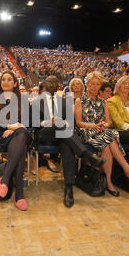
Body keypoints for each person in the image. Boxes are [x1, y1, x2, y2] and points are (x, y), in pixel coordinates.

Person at [35, 76, 105, 207]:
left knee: (67, 146)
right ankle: (87, 155)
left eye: (54, 83)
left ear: (59, 86)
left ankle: (69, 188)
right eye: (48, 82)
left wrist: (61, 122)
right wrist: (49, 122)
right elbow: (33, 123)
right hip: (45, 134)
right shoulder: (37, 101)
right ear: (44, 84)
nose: (51, 85)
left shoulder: (65, 102)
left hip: (63, 135)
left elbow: (71, 122)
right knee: (62, 128)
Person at [75, 72, 129, 196]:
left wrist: (104, 125)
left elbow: (108, 121)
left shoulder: (104, 102)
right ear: (87, 84)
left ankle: (108, 180)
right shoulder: (79, 100)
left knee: (107, 144)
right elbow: (79, 122)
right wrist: (94, 126)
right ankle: (126, 170)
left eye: (98, 84)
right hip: (86, 131)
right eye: (92, 84)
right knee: (109, 137)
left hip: (101, 131)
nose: (95, 87)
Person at [0, 71, 30, 211]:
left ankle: (5, 179)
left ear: (15, 83)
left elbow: (27, 122)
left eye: (9, 79)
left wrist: (14, 128)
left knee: (22, 135)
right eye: (3, 79)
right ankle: (19, 194)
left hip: (18, 133)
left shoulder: (23, 100)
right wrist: (9, 126)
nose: (5, 82)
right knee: (22, 143)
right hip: (0, 134)